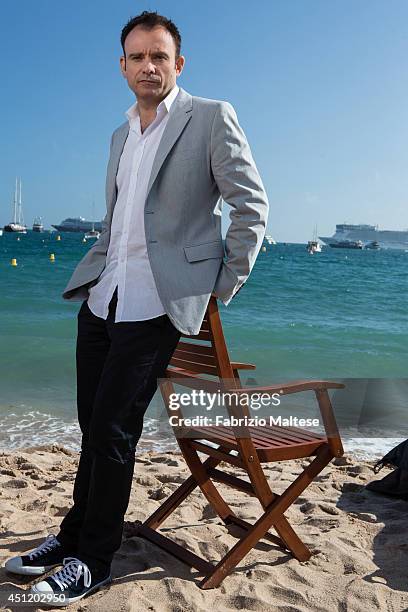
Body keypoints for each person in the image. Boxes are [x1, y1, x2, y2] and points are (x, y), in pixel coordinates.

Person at [4, 10, 269, 605]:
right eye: (136, 56)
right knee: (90, 428)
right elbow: (118, 218)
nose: (148, 66)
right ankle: (72, 537)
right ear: (122, 66)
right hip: (104, 297)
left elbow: (250, 207)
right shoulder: (120, 134)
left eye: (159, 56)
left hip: (157, 304)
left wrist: (219, 286)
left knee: (115, 432)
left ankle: (92, 559)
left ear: (179, 63)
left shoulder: (210, 117)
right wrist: (94, 274)